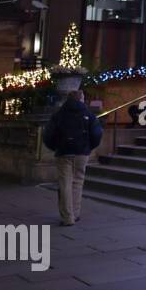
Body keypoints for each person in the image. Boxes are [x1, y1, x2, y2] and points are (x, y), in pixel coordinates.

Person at [41, 89, 103, 227]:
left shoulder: (58, 115)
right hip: (81, 152)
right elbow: (97, 134)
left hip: (64, 152)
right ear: (81, 99)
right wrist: (88, 147)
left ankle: (67, 217)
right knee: (77, 182)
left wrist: (55, 147)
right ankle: (75, 213)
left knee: (64, 184)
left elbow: (48, 135)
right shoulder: (89, 115)